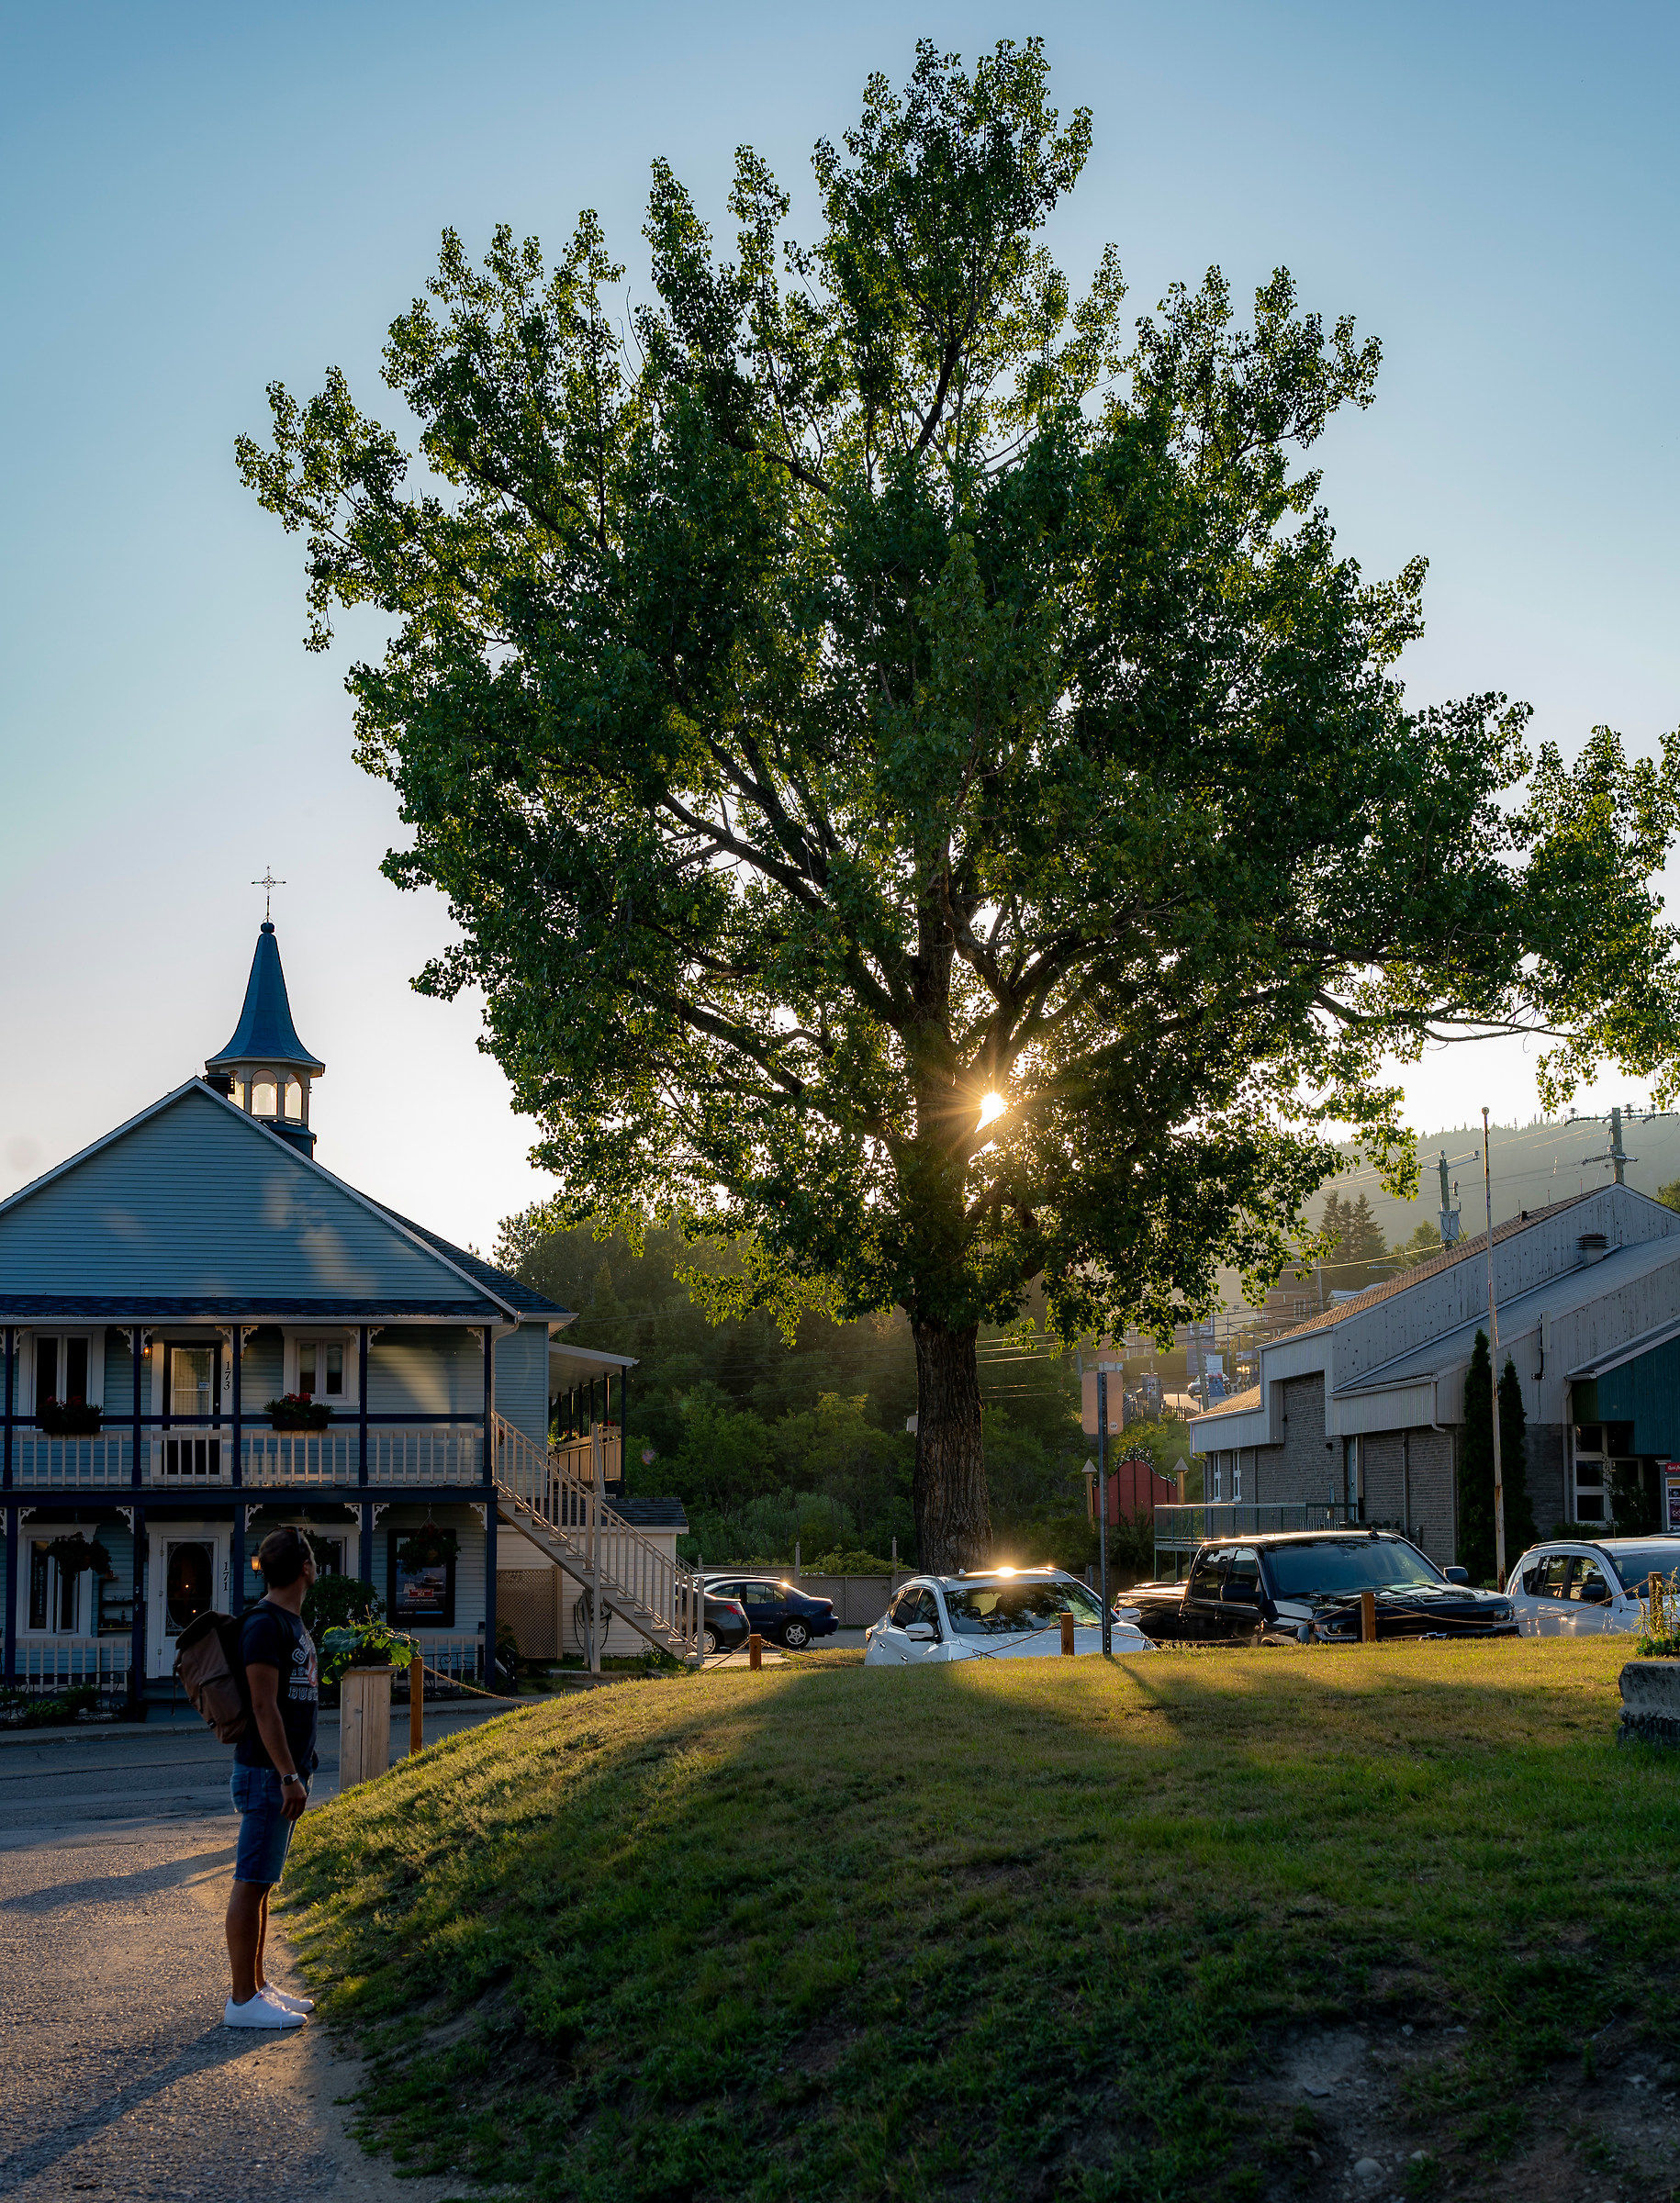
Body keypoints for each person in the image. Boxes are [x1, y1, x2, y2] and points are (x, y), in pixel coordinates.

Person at [224, 1525, 319, 2030]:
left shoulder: (288, 1621)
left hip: (282, 1774)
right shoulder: (264, 1625)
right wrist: (287, 1774)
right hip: (267, 1774)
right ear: (304, 1568)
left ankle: (257, 1986)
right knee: (249, 1882)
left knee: (262, 1882)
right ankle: (241, 2002)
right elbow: (263, 1706)